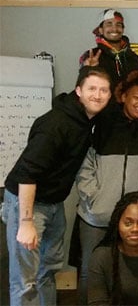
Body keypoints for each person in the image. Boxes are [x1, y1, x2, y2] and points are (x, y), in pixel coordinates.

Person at [2, 66, 111, 305]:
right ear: (78, 90)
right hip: (27, 203)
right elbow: (27, 173)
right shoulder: (56, 123)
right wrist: (26, 222)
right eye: (92, 88)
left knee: (49, 270)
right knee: (25, 280)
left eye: (104, 90)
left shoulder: (87, 120)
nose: (98, 95)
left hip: (54, 203)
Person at [73, 71, 138, 304]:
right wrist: (92, 195)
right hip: (97, 215)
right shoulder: (103, 122)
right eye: (136, 97)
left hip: (135, 218)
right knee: (88, 271)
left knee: (131, 272)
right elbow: (85, 162)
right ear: (123, 97)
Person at [79, 9, 138, 93]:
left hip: (128, 106)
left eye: (118, 24)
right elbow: (82, 89)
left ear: (123, 29)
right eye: (109, 24)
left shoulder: (133, 57)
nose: (114, 28)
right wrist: (87, 70)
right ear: (101, 30)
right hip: (101, 105)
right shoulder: (91, 56)